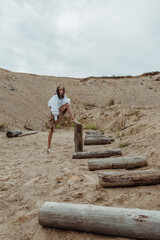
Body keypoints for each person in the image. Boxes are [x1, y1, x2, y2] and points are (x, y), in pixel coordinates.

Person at [47, 85, 79, 153]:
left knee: (67, 105)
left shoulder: (64, 96)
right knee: (51, 130)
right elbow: (54, 107)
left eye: (62, 90)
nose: (61, 91)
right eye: (60, 90)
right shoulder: (55, 97)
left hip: (59, 111)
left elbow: (66, 103)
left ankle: (73, 119)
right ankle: (48, 147)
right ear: (57, 90)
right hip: (53, 113)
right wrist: (55, 118)